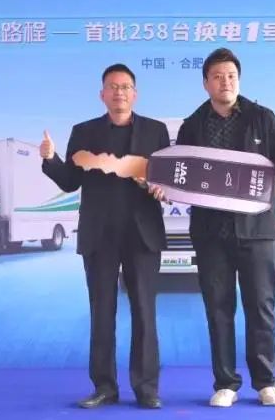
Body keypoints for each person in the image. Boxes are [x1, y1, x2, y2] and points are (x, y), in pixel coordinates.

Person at [175, 48, 275, 407]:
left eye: (231, 76)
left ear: (239, 80)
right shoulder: (191, 126)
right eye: (218, 77)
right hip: (210, 233)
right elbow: (180, 176)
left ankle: (265, 382)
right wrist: (162, 186)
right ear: (205, 83)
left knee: (260, 306)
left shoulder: (262, 118)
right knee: (218, 309)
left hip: (256, 230)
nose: (225, 82)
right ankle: (226, 383)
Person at [40, 63, 169, 409]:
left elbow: (166, 181)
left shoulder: (156, 132)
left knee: (145, 312)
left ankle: (147, 388)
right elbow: (70, 181)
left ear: (135, 94)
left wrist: (161, 189)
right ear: (102, 94)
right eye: (112, 86)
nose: (119, 92)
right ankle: (104, 387)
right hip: (100, 234)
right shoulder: (83, 132)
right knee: (102, 312)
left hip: (142, 234)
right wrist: (50, 159)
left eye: (125, 87)